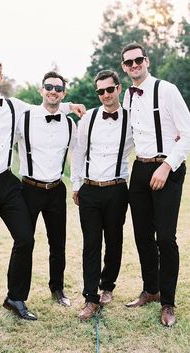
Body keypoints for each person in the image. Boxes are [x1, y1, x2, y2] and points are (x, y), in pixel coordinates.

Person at [0, 58, 85, 325]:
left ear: (1, 77)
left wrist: (72, 106)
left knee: (25, 239)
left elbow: (47, 107)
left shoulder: (15, 106)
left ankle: (15, 297)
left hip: (8, 182)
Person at [121, 43, 190, 327]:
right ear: (124, 68)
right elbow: (126, 136)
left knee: (165, 238)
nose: (134, 65)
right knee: (142, 235)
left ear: (146, 61)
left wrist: (166, 165)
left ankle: (168, 303)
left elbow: (187, 133)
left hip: (167, 169)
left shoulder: (167, 90)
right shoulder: (127, 95)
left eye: (138, 60)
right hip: (140, 168)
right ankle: (151, 290)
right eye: (128, 62)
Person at [71, 70, 133, 320]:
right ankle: (90, 297)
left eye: (109, 89)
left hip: (117, 189)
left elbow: (153, 136)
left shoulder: (132, 118)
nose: (105, 95)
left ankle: (107, 286)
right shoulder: (88, 119)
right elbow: (78, 153)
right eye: (100, 91)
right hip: (90, 189)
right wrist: (76, 185)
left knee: (115, 240)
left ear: (118, 88)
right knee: (91, 244)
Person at [16, 71, 77, 307]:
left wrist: (78, 184)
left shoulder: (70, 124)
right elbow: (3, 142)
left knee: (58, 243)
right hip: (29, 189)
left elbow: (78, 155)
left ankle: (57, 289)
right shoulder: (25, 118)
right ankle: (18, 296)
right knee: (24, 242)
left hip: (56, 189)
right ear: (41, 90)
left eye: (58, 88)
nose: (53, 91)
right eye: (49, 87)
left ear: (64, 93)